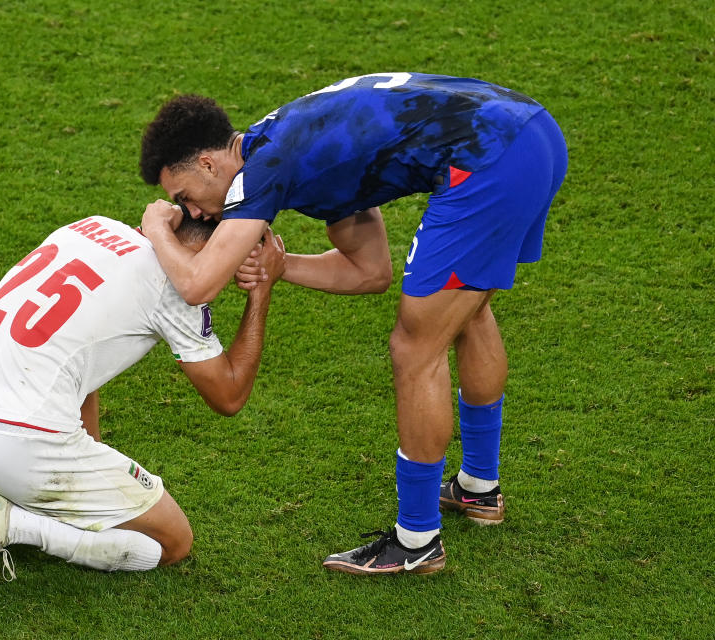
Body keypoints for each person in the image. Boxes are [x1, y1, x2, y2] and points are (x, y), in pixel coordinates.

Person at [138, 72, 568, 575]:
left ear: (209, 163)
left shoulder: (262, 172)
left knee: (415, 346)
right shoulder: (294, 147)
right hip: (530, 131)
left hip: (490, 157)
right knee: (466, 313)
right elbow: (370, 272)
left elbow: (196, 285)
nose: (190, 210)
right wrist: (281, 266)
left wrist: (155, 229)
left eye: (185, 194)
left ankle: (416, 541)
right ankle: (477, 489)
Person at [0, 210, 285, 600]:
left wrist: (88, 464)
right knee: (172, 542)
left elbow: (82, 352)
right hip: (28, 447)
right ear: (223, 249)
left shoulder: (88, 228)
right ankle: (11, 524)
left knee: (62, 479)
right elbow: (229, 396)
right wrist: (261, 290)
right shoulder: (175, 287)